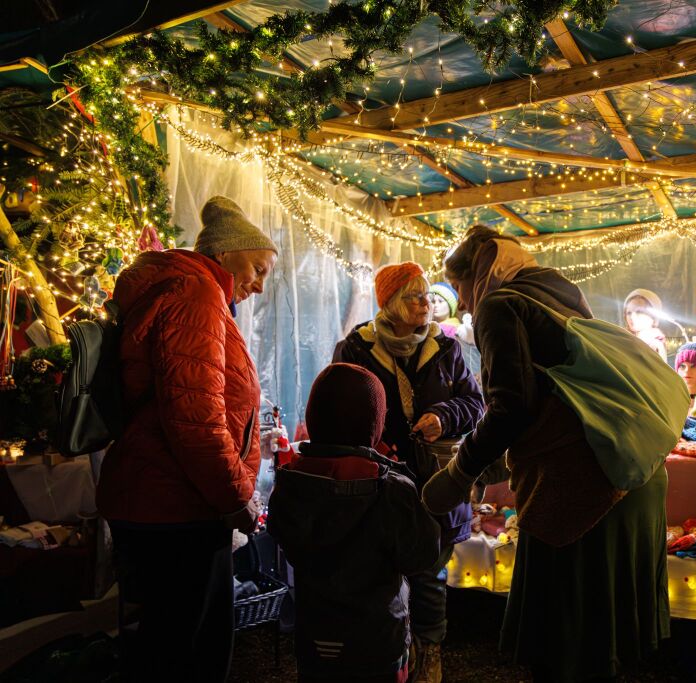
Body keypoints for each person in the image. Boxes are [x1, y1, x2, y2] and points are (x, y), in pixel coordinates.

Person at [420, 225, 670, 682]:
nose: (466, 304)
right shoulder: (559, 292)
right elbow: (552, 396)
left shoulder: (500, 305)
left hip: (582, 491)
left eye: (460, 289)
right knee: (602, 643)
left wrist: (460, 471)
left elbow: (512, 406)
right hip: (631, 470)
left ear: (478, 274)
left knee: (565, 645)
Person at [96, 195, 278, 682]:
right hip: (176, 509)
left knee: (165, 648)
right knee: (187, 654)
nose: (259, 285)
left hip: (162, 501)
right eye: (258, 268)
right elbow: (194, 419)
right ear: (225, 254)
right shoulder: (197, 293)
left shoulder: (189, 290)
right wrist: (237, 498)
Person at [332, 262, 484, 683]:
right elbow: (337, 405)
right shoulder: (357, 348)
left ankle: (429, 652)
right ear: (391, 304)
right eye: (414, 296)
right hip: (377, 481)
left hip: (434, 481)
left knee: (430, 574)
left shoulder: (447, 348)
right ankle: (393, 655)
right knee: (381, 574)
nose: (426, 303)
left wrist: (443, 415)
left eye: (427, 296)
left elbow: (475, 404)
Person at [269, 363, 440, 683]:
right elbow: (423, 556)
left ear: (313, 418)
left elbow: (283, 538)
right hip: (378, 645)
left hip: (315, 641)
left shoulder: (291, 484)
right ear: (373, 426)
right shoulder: (391, 488)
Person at [623, 288, 668, 360]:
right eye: (629, 313)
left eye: (639, 312)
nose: (632, 317)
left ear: (653, 316)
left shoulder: (655, 344)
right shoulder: (623, 338)